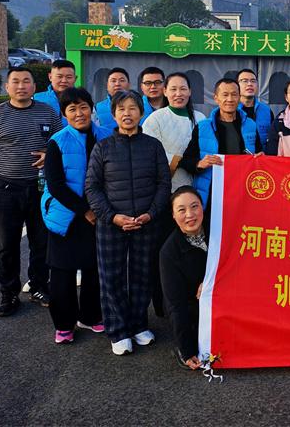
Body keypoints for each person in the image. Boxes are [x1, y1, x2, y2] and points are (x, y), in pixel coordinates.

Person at [85, 90, 171, 355]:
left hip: (146, 222)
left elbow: (163, 183)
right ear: (113, 115)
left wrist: (152, 213)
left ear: (141, 113)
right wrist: (112, 216)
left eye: (133, 108)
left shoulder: (153, 146)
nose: (127, 113)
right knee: (112, 277)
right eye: (121, 109)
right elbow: (92, 187)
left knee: (141, 276)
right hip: (112, 224)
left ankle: (137, 325)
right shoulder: (103, 147)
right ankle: (118, 330)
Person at [0, 67, 63, 317]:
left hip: (40, 189)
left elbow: (59, 145)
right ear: (7, 87)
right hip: (6, 189)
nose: (21, 86)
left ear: (34, 87)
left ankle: (38, 286)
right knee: (7, 245)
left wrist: (49, 155)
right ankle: (9, 293)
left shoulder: (48, 113)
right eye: (15, 81)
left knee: (42, 243)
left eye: (26, 81)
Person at [41, 88, 110, 344]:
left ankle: (91, 316)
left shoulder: (106, 136)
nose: (79, 113)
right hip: (66, 217)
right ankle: (64, 324)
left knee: (94, 270)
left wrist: (100, 210)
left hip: (99, 215)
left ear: (91, 108)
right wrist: (85, 210)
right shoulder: (57, 141)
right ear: (64, 114)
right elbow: (56, 185)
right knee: (62, 274)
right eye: (72, 109)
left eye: (83, 107)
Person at [141, 72, 206, 317]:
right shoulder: (155, 119)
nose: (178, 94)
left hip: (194, 194)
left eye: (183, 89)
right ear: (165, 92)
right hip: (164, 195)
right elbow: (150, 155)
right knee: (164, 252)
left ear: (190, 92)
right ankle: (163, 305)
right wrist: (184, 161)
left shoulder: (200, 118)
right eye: (173, 89)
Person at [181, 78, 262, 207]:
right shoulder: (203, 127)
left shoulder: (250, 125)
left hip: (243, 192)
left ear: (239, 97)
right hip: (212, 193)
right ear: (216, 98)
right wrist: (200, 163)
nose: (230, 99)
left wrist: (261, 158)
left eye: (234, 94)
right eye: (225, 95)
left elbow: (259, 154)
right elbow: (186, 160)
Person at [159, 186, 209, 370]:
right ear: (173, 216)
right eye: (181, 210)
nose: (190, 215)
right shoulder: (169, 252)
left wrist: (212, 282)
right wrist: (186, 351)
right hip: (193, 308)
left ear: (202, 207)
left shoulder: (219, 230)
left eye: (195, 206)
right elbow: (175, 304)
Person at [237, 68, 275, 147]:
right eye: (245, 81)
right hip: (238, 157)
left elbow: (272, 139)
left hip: (261, 157)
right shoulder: (231, 110)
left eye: (253, 81)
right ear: (236, 85)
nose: (249, 84)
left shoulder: (266, 111)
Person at [34, 59, 77, 124]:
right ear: (50, 77)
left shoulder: (83, 100)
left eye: (69, 77)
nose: (64, 81)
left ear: (75, 79)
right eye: (59, 76)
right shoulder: (36, 100)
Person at [94, 68, 131, 132]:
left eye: (122, 80)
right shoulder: (97, 108)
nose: (117, 84)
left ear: (129, 85)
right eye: (113, 81)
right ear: (107, 86)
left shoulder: (139, 106)